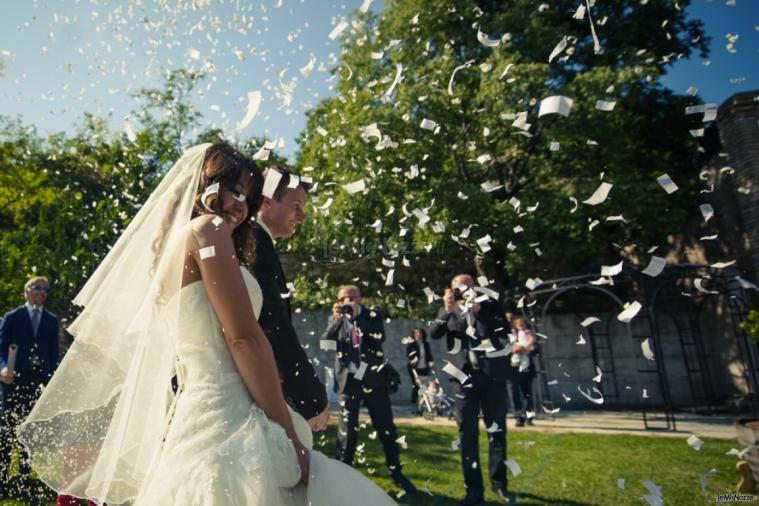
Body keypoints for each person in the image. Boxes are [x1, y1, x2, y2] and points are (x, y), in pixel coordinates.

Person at [17, 143, 396, 505]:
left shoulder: (177, 247)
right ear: (202, 185)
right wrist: (285, 434)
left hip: (200, 415)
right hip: (228, 419)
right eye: (232, 190)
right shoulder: (207, 231)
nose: (240, 205)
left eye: (247, 196)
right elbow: (246, 339)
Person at [252, 166, 329, 431]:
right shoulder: (255, 243)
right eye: (296, 205)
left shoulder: (257, 242)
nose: (302, 216)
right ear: (266, 201)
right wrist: (311, 398)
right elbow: (272, 325)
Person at [321, 284, 417, 495]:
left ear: (360, 299)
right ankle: (342, 476)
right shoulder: (337, 317)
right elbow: (327, 343)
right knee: (346, 431)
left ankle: (396, 473)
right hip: (349, 382)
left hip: (374, 380)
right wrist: (339, 320)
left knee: (386, 429)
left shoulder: (373, 314)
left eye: (351, 298)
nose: (347, 302)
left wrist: (356, 318)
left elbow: (378, 337)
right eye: (343, 298)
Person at [430, 274, 512, 505]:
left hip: (491, 376)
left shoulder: (490, 303)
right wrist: (447, 309)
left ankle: (500, 485)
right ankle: (474, 490)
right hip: (462, 378)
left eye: (465, 286)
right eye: (456, 286)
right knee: (467, 434)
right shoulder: (449, 308)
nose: (460, 289)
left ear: (474, 286)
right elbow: (435, 333)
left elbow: (502, 332)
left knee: (496, 432)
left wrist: (478, 312)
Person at [0, 276, 59, 502]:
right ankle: (4, 482)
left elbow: (53, 355)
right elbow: (1, 349)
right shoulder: (12, 317)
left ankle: (25, 483)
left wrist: (53, 382)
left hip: (37, 384)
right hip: (12, 383)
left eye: (45, 289)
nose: (42, 292)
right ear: (26, 291)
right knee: (6, 432)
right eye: (37, 288)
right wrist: (3, 369)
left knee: (28, 434)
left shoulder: (52, 321)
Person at [510, 318, 536, 427]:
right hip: (513, 366)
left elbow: (533, 345)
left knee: (527, 393)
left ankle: (529, 416)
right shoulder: (509, 334)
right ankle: (519, 416)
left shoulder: (527, 333)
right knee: (515, 392)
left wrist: (525, 348)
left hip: (526, 366)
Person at [405, 327, 434, 404]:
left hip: (424, 367)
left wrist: (431, 362)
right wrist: (412, 360)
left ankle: (422, 400)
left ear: (422, 334)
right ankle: (414, 402)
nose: (418, 334)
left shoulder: (426, 344)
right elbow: (408, 356)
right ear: (413, 335)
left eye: (419, 333)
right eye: (416, 333)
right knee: (416, 384)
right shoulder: (411, 345)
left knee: (424, 385)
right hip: (414, 368)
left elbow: (429, 355)